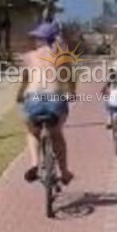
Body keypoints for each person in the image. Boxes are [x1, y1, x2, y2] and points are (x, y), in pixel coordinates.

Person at [15, 21, 75, 185]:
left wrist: (20, 96)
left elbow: (25, 81)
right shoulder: (62, 55)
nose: (35, 41)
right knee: (57, 135)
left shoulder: (28, 56)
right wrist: (72, 93)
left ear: (41, 40)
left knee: (33, 132)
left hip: (33, 98)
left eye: (37, 38)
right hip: (55, 99)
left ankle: (35, 164)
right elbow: (69, 77)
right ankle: (64, 172)